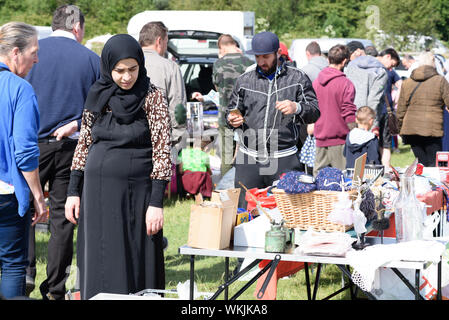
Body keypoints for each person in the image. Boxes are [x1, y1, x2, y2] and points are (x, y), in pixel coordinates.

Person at [64, 34, 172, 300]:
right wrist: (73, 191)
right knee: (101, 255)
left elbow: (162, 149)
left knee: (136, 254)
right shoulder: (97, 95)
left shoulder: (152, 96)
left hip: (139, 192)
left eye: (132, 69)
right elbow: (84, 142)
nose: (126, 77)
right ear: (108, 68)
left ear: (141, 66)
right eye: (119, 70)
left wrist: (156, 202)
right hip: (98, 191)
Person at [25, 4, 100, 300]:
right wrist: (79, 123)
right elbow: (102, 108)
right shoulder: (92, 60)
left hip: (32, 144)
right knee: (63, 216)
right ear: (77, 27)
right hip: (73, 146)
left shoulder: (31, 53)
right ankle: (55, 288)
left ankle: (24, 273)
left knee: (25, 210)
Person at [226, 31, 320, 208]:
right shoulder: (244, 81)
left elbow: (315, 111)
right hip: (249, 160)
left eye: (266, 56)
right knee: (244, 216)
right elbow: (231, 111)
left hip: (284, 159)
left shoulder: (298, 78)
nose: (261, 62)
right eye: (257, 57)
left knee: (286, 217)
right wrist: (232, 119)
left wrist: (297, 107)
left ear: (277, 53)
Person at [0, 21, 47, 299]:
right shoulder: (20, 89)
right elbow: (25, 151)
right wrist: (38, 196)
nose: (37, 59)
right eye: (34, 52)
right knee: (13, 265)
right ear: (15, 52)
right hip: (6, 192)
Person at [139, 21, 187, 151]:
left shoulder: (126, 65)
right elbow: (178, 109)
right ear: (159, 41)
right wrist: (178, 142)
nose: (166, 47)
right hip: (160, 142)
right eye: (166, 42)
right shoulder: (170, 67)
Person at [211, 34, 254, 176]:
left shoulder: (218, 64)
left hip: (226, 117)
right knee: (248, 157)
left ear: (221, 47)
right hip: (246, 117)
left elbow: (217, 88)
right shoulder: (249, 62)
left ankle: (226, 192)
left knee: (227, 158)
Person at [397, 52, 449, 167]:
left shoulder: (407, 82)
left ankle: (422, 184)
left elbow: (400, 109)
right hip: (432, 129)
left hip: (411, 128)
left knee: (421, 163)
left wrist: (400, 128)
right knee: (434, 164)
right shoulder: (440, 81)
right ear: (433, 63)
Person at [312, 44, 357, 175]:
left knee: (319, 183)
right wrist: (355, 131)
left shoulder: (316, 82)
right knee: (343, 182)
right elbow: (348, 112)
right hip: (339, 139)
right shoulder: (346, 84)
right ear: (344, 61)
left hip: (320, 137)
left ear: (328, 60)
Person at [344, 41, 388, 167]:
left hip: (352, 115)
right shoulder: (380, 72)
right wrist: (373, 124)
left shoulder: (350, 68)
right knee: (369, 161)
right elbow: (374, 100)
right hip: (368, 119)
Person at [376, 48, 401, 170]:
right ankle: (385, 168)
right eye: (392, 64)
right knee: (385, 143)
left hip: (372, 111)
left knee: (378, 141)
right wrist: (396, 100)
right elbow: (401, 86)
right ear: (388, 56)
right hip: (385, 110)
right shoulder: (389, 73)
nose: (391, 67)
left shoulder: (373, 68)